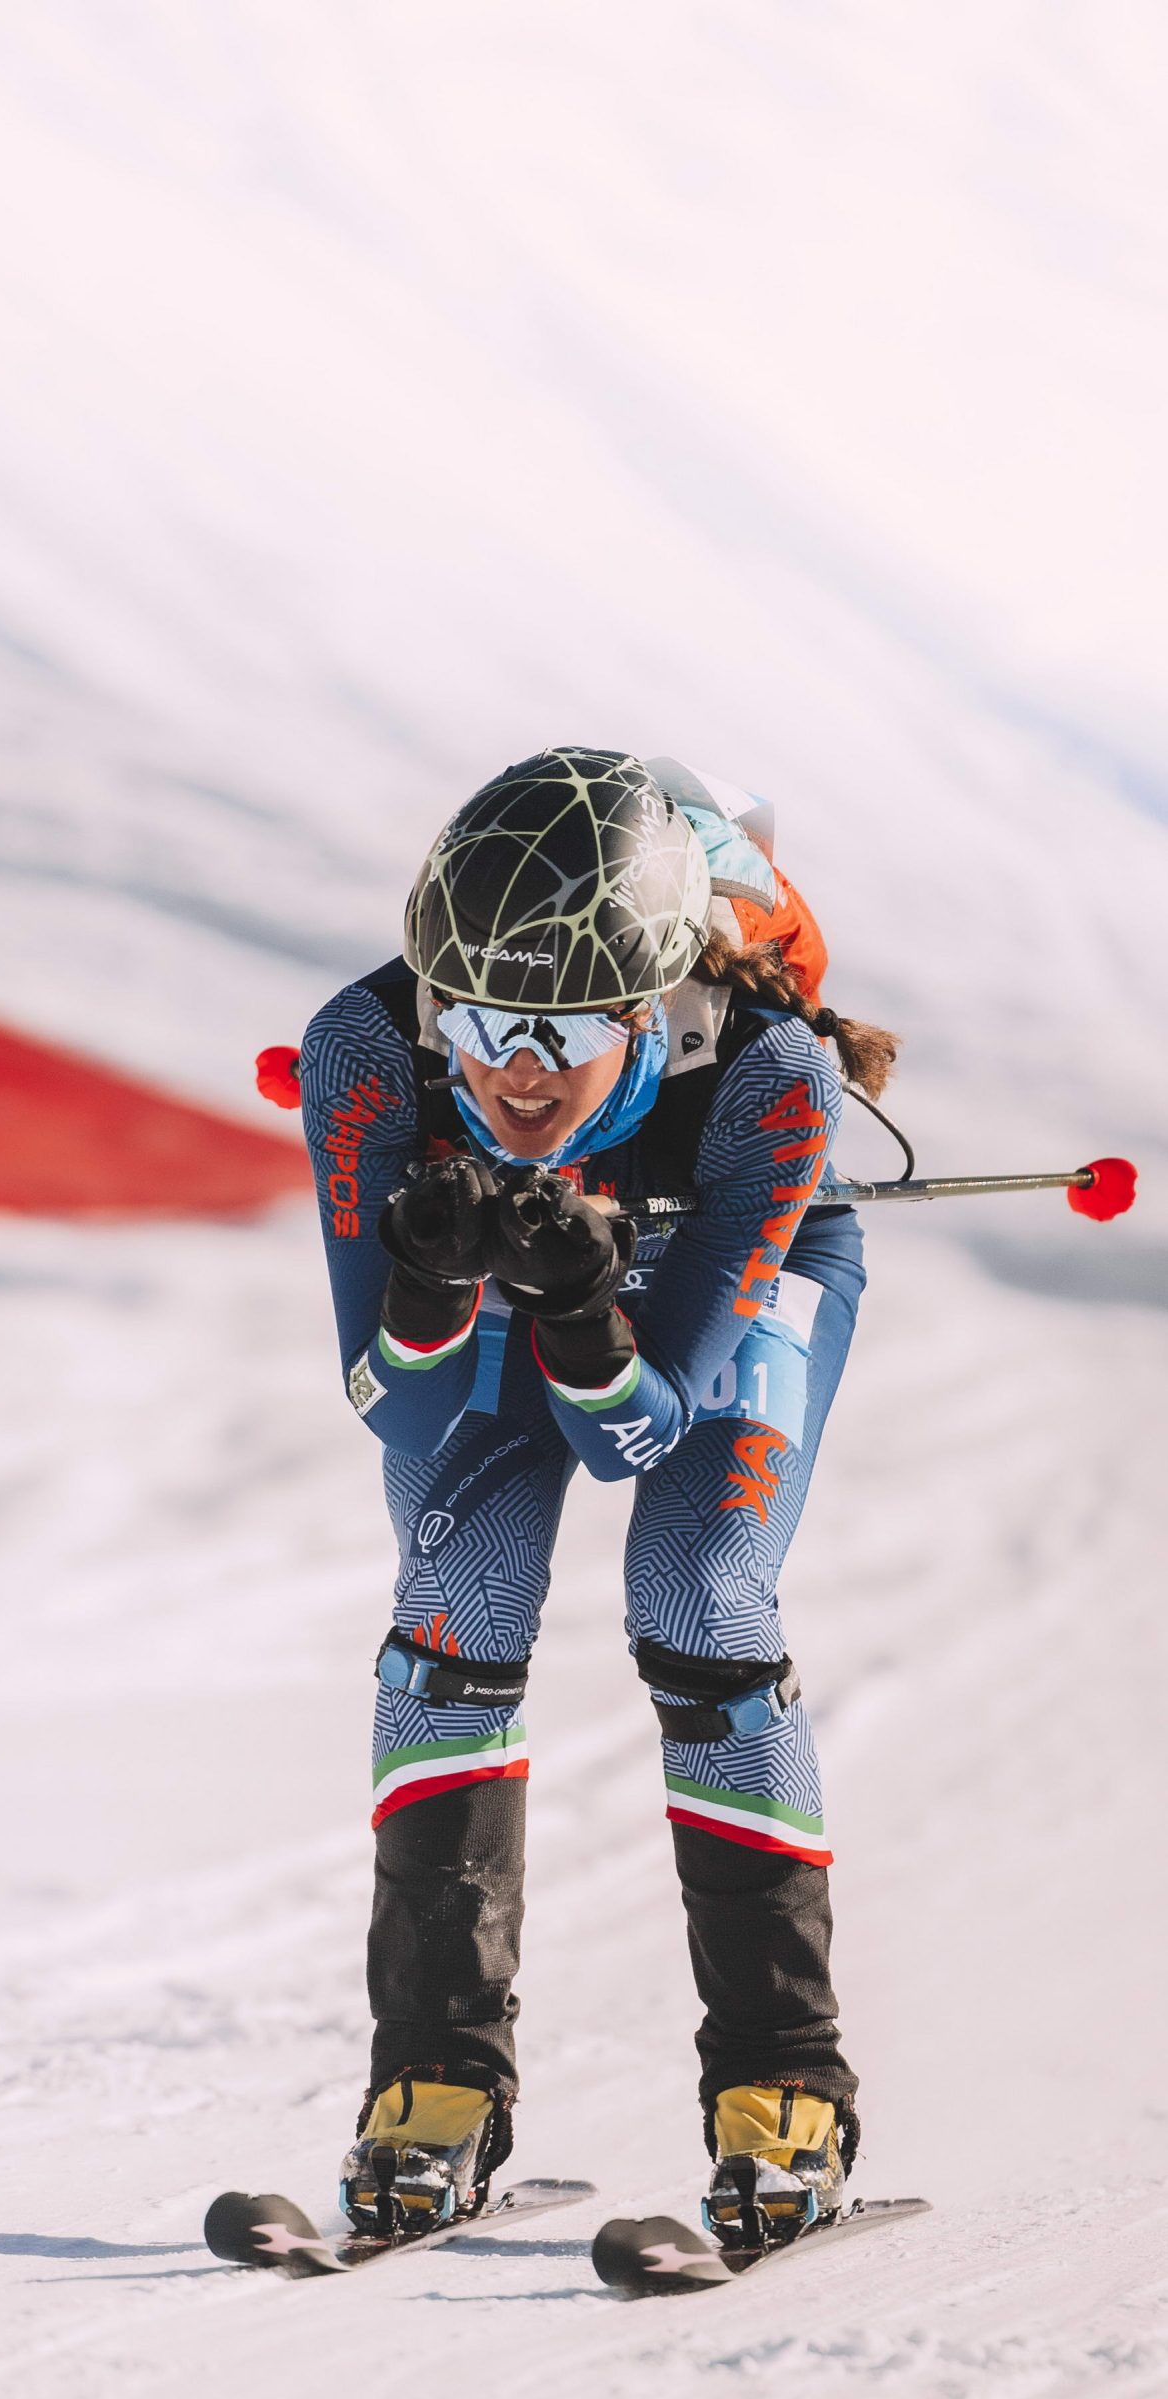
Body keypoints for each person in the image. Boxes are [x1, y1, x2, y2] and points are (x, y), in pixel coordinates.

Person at [297, 746, 898, 2250]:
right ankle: (430, 2085)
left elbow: (650, 1431)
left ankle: (786, 2090)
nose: (514, 1072)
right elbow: (395, 1404)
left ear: (652, 1006)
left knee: (700, 1589)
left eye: (566, 1035)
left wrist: (579, 1308)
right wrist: (433, 1280)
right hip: (530, 1279)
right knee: (453, 1597)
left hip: (723, 1288)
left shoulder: (768, 1076)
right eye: (483, 1023)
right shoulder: (369, 1052)